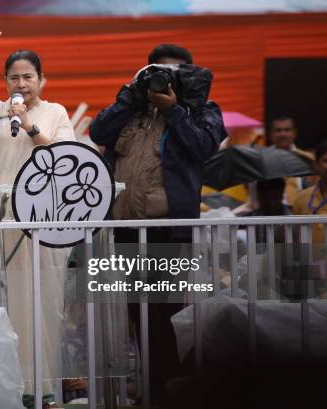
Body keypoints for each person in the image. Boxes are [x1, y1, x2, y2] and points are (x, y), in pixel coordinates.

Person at [89, 44, 227, 401]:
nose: (166, 78)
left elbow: (203, 147)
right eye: (158, 70)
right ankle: (154, 386)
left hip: (168, 228)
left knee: (165, 312)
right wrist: (129, 98)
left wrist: (176, 112)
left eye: (176, 73)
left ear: (189, 77)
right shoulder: (133, 109)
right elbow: (98, 132)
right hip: (126, 229)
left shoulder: (202, 111)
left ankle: (166, 390)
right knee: (138, 312)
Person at [0, 31, 76, 398]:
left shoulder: (55, 113)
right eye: (14, 78)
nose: (21, 83)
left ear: (42, 80)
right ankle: (2, 389)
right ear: (5, 82)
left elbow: (61, 157)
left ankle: (43, 388)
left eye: (28, 77)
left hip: (39, 227)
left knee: (40, 306)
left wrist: (30, 124)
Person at [268, 116, 315, 206]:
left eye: (287, 130)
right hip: (270, 213)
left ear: (294, 133)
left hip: (299, 213)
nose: (283, 134)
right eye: (278, 130)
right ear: (271, 134)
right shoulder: (263, 159)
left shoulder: (308, 159)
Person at [293, 140, 327, 244]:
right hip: (308, 259)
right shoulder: (302, 198)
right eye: (326, 161)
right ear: (316, 164)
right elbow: (295, 236)